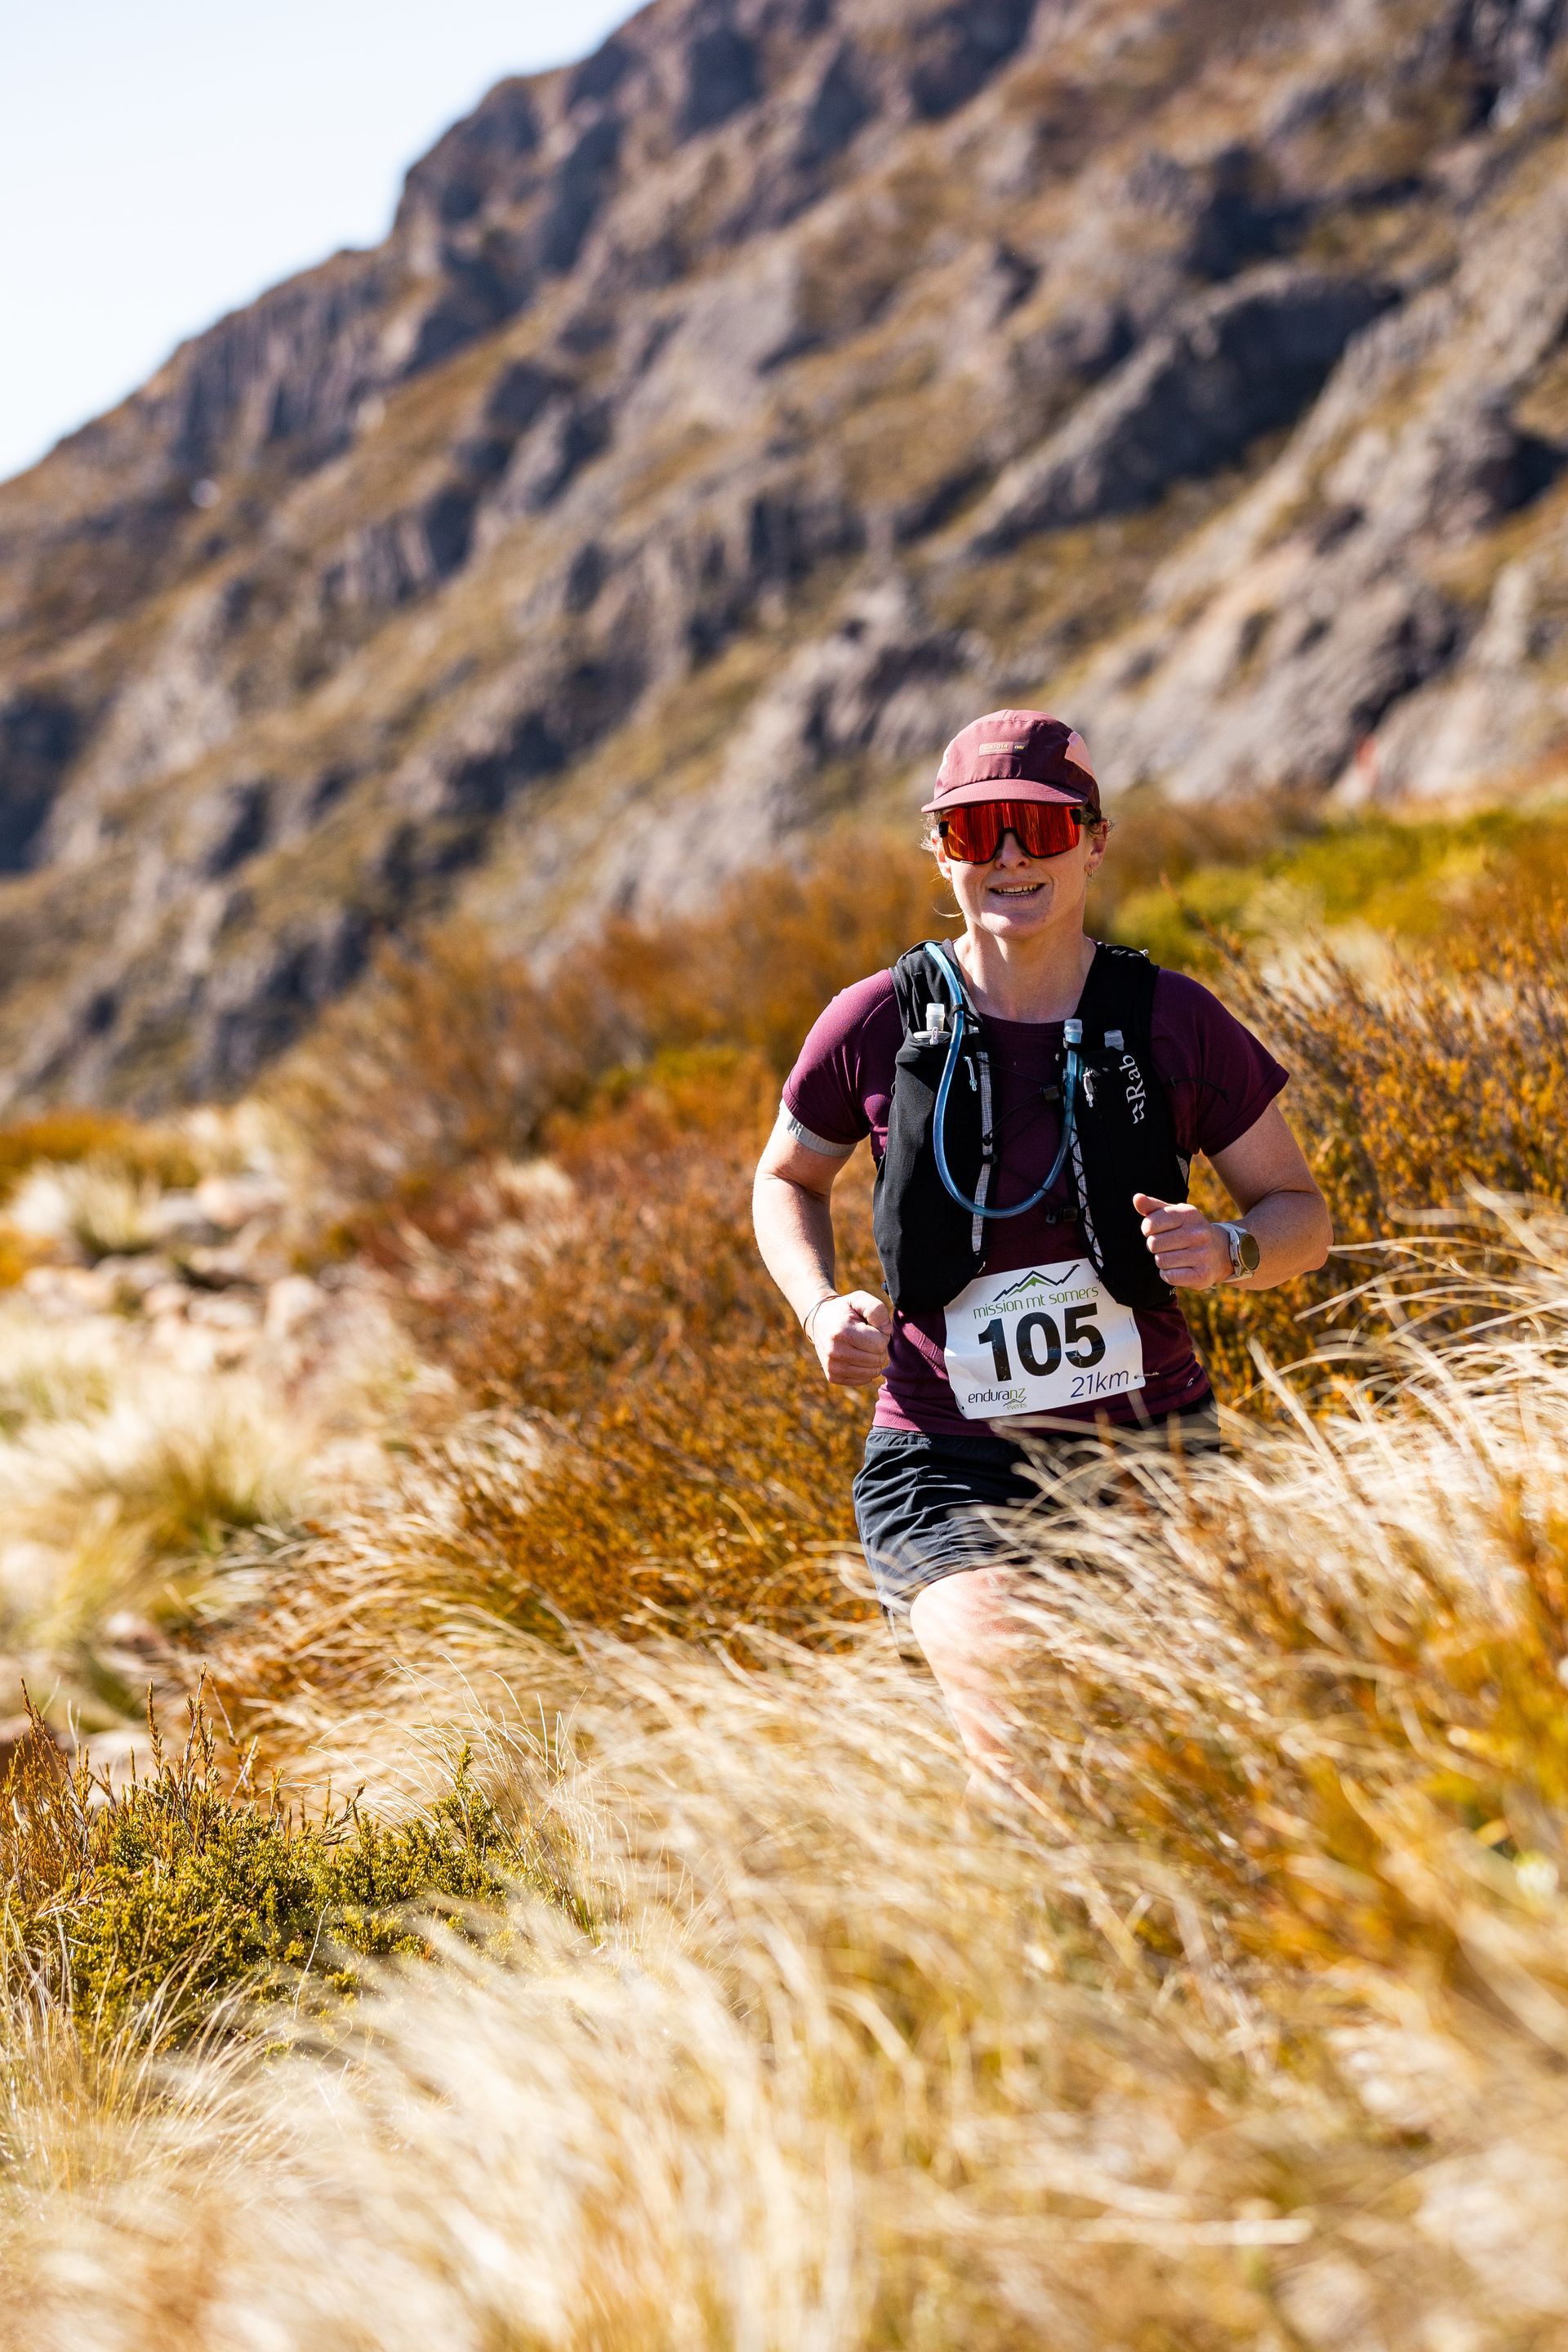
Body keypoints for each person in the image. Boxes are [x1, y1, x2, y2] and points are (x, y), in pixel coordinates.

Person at [752, 710, 1331, 1774]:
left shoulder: (1175, 1020)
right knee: (1025, 1725)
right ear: (941, 852)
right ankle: (1039, 1937)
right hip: (948, 1460)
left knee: (1221, 1746)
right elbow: (787, 1177)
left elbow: (1301, 1210)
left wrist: (1237, 1248)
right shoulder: (875, 1020)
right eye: (976, 833)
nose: (1010, 855)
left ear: (1095, 841)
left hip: (1156, 1446)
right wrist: (819, 1304)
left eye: (1038, 827)